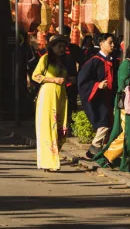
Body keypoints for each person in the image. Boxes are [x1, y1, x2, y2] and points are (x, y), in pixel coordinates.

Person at [94, 39, 130, 173]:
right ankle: (107, 157)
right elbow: (122, 84)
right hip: (125, 103)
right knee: (129, 133)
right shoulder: (126, 65)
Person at [32, 34, 74, 171]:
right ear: (52, 47)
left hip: (61, 95)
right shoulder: (45, 59)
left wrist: (68, 80)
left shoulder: (62, 62)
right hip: (48, 96)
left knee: (61, 128)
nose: (62, 49)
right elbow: (36, 76)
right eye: (59, 46)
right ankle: (49, 162)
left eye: (63, 47)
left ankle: (53, 158)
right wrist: (54, 80)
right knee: (48, 128)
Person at [76, 33, 118, 154]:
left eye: (113, 42)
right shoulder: (93, 62)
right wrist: (97, 85)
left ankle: (96, 149)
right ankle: (95, 147)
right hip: (97, 97)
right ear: (101, 44)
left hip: (109, 97)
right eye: (110, 42)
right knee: (104, 122)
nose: (113, 45)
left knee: (108, 122)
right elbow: (82, 81)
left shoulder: (113, 60)